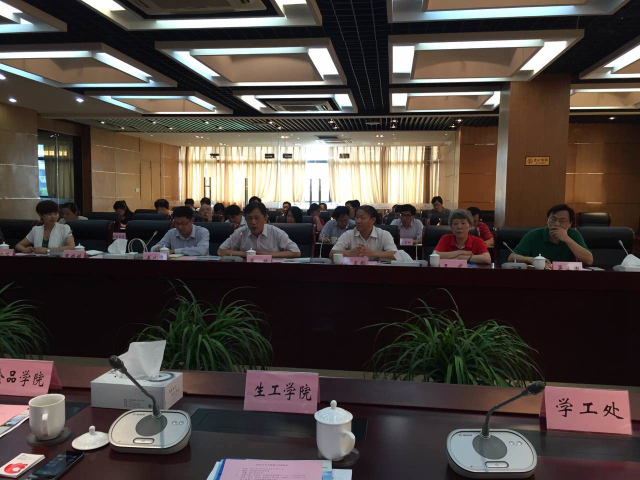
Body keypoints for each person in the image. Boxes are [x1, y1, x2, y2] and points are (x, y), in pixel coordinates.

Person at [510, 204, 593, 268]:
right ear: (547, 220)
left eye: (562, 221)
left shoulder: (573, 234)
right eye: (553, 219)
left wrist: (567, 239)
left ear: (570, 223)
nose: (556, 224)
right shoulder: (534, 235)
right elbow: (512, 257)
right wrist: (530, 259)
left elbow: (589, 261)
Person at [218, 202, 301, 258]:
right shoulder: (241, 233)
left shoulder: (275, 232)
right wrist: (245, 253)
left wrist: (269, 254)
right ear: (245, 219)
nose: (253, 222)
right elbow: (221, 251)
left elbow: (296, 252)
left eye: (257, 218)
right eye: (249, 218)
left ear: (265, 219)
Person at [330, 205, 397, 261]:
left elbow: (396, 255)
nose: (358, 221)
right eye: (357, 217)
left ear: (373, 220)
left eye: (362, 218)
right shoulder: (348, 234)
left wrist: (373, 253)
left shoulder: (384, 235)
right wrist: (350, 253)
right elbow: (331, 254)